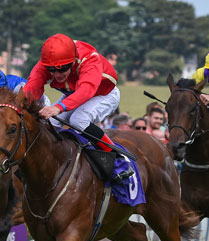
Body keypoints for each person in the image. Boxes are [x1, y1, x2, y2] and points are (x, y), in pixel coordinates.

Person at [23, 33, 130, 175]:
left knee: (78, 119)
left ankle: (117, 158)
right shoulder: (46, 63)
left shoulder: (89, 58)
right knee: (48, 123)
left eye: (62, 69)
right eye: (51, 70)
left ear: (73, 61)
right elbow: (30, 91)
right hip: (73, 95)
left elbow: (86, 90)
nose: (56, 75)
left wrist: (59, 108)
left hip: (104, 95)